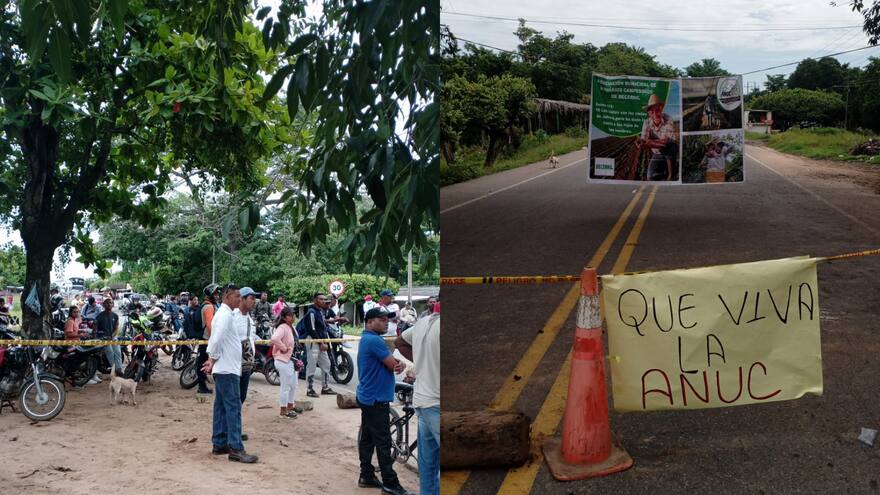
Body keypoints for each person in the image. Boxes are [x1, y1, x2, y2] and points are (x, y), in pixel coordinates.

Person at [356, 307, 411, 495]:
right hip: (376, 398)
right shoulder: (374, 340)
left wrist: (398, 363)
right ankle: (390, 483)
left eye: (387, 319)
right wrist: (398, 364)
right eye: (382, 319)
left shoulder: (368, 339)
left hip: (368, 396)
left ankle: (366, 475)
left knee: (368, 438)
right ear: (370, 322)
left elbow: (393, 363)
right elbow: (394, 365)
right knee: (383, 441)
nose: (386, 323)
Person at [202, 283, 258, 463]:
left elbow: (218, 339)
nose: (239, 300)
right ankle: (235, 448)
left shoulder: (225, 314)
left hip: (226, 368)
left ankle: (219, 443)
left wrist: (212, 360)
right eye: (236, 296)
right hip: (227, 369)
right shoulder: (225, 315)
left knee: (221, 407)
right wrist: (212, 359)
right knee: (233, 408)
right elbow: (216, 338)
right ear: (227, 296)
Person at [395, 312, 441, 495]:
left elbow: (400, 342)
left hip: (423, 401)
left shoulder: (424, 322)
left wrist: (423, 363)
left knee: (428, 464)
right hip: (438, 402)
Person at [233, 287, 258, 441]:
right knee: (233, 399)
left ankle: (236, 429)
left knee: (241, 397)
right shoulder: (233, 316)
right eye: (251, 298)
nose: (254, 301)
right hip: (234, 364)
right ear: (242, 299)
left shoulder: (249, 318)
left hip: (246, 364)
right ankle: (231, 431)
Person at [270, 306, 303, 418]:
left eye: (293, 315)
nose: (293, 317)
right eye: (290, 315)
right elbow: (274, 338)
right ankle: (283, 411)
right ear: (284, 317)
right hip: (284, 360)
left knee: (293, 385)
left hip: (292, 361)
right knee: (286, 386)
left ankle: (290, 406)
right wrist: (283, 348)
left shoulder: (291, 327)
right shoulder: (283, 327)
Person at [636, 93, 677, 181]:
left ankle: (670, 173)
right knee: (651, 176)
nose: (655, 114)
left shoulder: (668, 119)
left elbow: (665, 142)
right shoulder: (646, 122)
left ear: (661, 109)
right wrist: (641, 142)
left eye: (657, 110)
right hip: (658, 153)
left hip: (670, 151)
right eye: (652, 112)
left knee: (669, 144)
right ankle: (665, 172)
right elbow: (644, 139)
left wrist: (650, 142)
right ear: (648, 113)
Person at [302, 292, 337, 398]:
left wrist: (324, 342)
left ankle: (325, 387)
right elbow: (312, 330)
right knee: (312, 365)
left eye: (324, 299)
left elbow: (322, 328)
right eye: (320, 299)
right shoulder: (311, 312)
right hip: (313, 341)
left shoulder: (320, 312)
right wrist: (321, 343)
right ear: (315, 300)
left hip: (321, 341)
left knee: (326, 364)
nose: (323, 301)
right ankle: (310, 389)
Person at [196, 283, 221, 394]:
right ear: (210, 295)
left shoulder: (206, 305)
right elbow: (210, 325)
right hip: (207, 340)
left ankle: (203, 384)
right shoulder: (209, 307)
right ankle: (202, 387)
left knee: (202, 362)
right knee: (203, 363)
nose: (217, 296)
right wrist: (214, 340)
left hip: (206, 339)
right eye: (215, 294)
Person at [95, 298, 124, 376]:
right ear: (103, 305)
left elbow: (116, 328)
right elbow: (95, 328)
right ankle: (115, 369)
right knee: (110, 352)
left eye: (110, 303)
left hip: (113, 337)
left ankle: (119, 369)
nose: (109, 304)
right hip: (103, 338)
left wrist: (113, 335)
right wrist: (100, 336)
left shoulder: (115, 315)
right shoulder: (99, 316)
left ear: (113, 305)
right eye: (107, 303)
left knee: (118, 352)